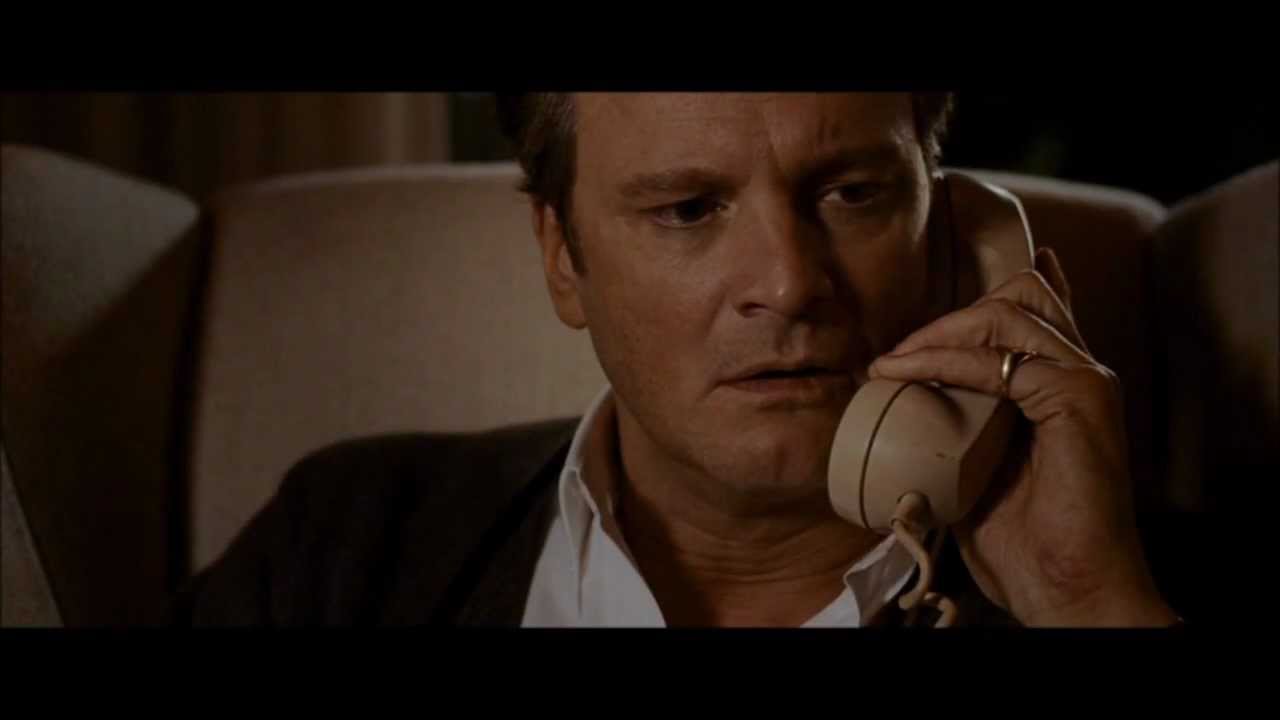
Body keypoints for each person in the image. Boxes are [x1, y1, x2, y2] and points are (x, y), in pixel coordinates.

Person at [172, 93, 1181, 627]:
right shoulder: (348, 542)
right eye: (688, 209)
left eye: (851, 194)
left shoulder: (1125, 584)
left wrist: (1087, 608)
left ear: (953, 235)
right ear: (562, 258)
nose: (788, 283)